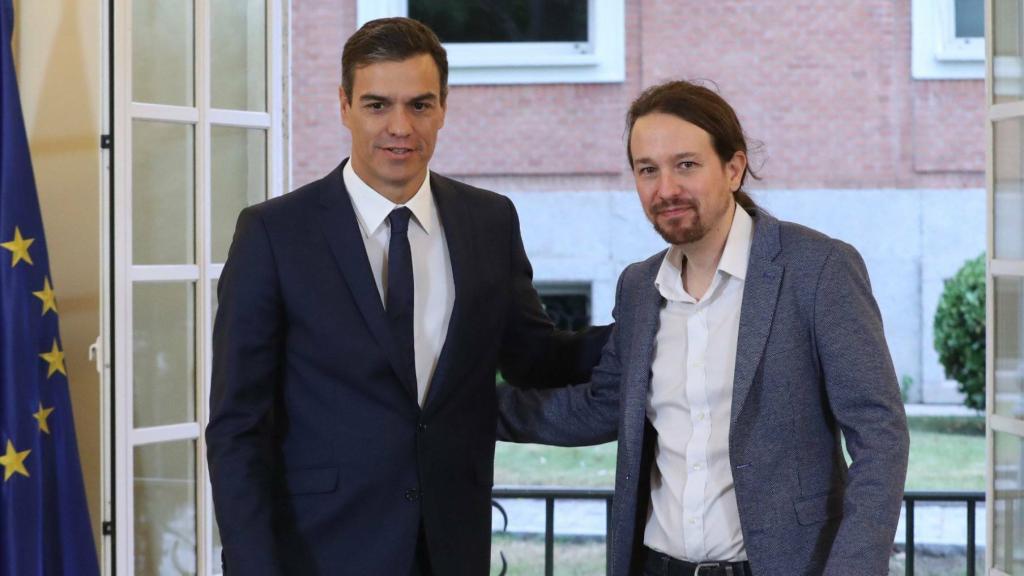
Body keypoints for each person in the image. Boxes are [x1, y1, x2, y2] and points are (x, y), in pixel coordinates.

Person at [206, 17, 608, 576]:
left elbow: (534, 359)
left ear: (443, 108)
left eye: (420, 105)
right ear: (343, 106)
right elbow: (237, 425)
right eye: (377, 105)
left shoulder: (488, 220)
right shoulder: (274, 234)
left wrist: (651, 318)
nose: (400, 126)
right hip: (320, 554)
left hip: (450, 548)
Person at [497, 80, 910, 576]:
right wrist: (462, 408)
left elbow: (880, 436)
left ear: (733, 168)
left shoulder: (818, 270)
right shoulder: (639, 287)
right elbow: (603, 407)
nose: (665, 188)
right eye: (647, 170)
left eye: (686, 165)